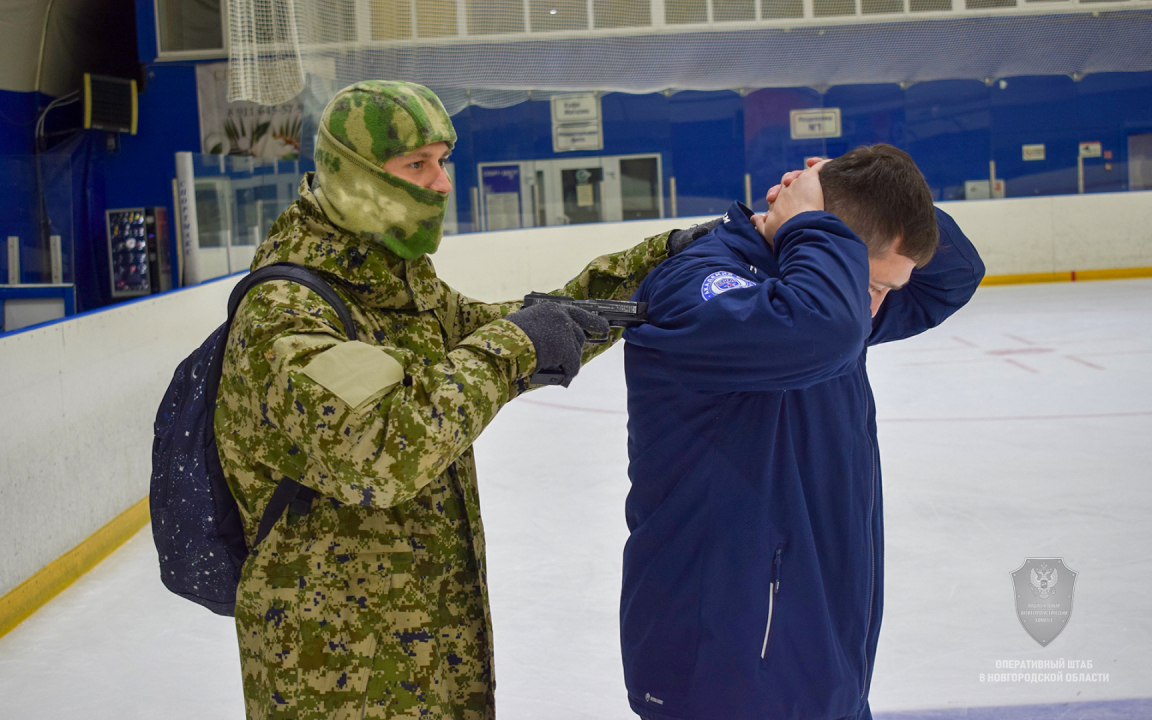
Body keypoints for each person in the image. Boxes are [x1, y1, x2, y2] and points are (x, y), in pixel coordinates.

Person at [213, 80, 700, 719]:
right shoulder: (287, 313)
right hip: (336, 685)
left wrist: (653, 265)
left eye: (443, 161)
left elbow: (505, 329)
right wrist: (513, 346)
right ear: (353, 176)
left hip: (428, 667)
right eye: (417, 165)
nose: (442, 184)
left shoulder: (393, 285)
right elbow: (378, 451)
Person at [620, 145, 985, 720]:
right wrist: (819, 223)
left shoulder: (830, 300)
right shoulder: (697, 287)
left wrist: (866, 192)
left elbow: (954, 277)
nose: (871, 312)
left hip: (819, 662)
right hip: (721, 668)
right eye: (869, 286)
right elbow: (821, 326)